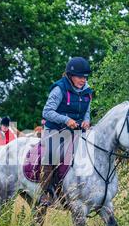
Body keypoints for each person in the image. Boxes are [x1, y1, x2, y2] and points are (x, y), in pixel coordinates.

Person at [39, 57, 93, 206]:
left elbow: (86, 111)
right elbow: (47, 112)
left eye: (85, 77)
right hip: (55, 130)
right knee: (51, 155)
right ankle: (44, 193)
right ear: (70, 75)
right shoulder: (59, 89)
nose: (83, 80)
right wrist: (65, 120)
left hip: (76, 131)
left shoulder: (87, 91)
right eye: (80, 77)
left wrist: (86, 121)